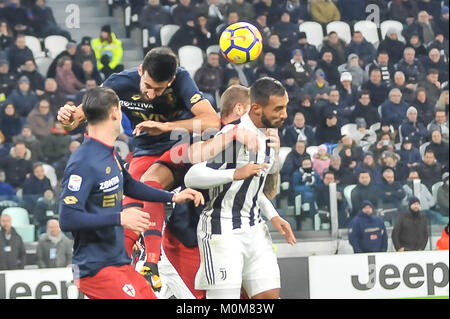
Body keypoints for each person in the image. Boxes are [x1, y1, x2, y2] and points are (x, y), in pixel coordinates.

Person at [57, 47, 220, 292]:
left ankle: (151, 260)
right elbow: (80, 116)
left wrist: (165, 127)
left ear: (171, 81)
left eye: (160, 89)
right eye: (148, 86)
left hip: (181, 147)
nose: (152, 94)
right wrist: (67, 115)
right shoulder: (118, 83)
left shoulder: (183, 79)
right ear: (141, 71)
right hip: (146, 149)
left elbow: (212, 121)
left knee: (149, 181)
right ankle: (129, 265)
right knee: (132, 193)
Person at [184, 77, 289, 299]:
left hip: (254, 227)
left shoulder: (269, 136)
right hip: (222, 229)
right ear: (257, 108)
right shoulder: (233, 135)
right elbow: (192, 176)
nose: (284, 114)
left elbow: (253, 186)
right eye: (278, 108)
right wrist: (234, 173)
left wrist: (273, 215)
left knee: (269, 297)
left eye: (285, 107)